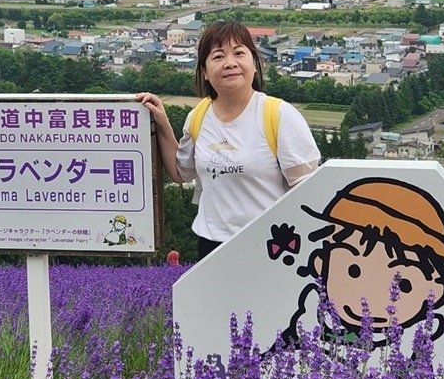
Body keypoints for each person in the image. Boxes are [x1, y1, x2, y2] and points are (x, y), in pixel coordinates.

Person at [136, 20, 321, 261]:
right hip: (211, 244)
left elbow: (308, 191)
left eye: (239, 53)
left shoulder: (278, 115)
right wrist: (161, 122)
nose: (230, 63)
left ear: (254, 64)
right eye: (218, 56)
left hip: (270, 246)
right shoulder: (199, 116)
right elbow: (181, 173)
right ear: (204, 70)